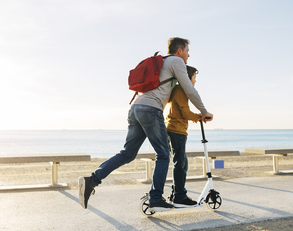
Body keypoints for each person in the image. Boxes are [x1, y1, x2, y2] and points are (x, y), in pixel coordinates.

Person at [78, 37, 213, 212]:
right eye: (187, 50)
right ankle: (156, 198)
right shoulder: (177, 61)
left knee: (127, 153)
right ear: (179, 50)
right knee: (164, 154)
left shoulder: (163, 62)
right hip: (150, 109)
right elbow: (189, 89)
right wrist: (203, 111)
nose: (189, 54)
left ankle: (92, 180)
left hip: (136, 108)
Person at [166, 65, 202, 207]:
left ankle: (176, 193)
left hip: (175, 129)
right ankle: (179, 196)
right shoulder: (180, 90)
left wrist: (194, 116)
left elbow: (182, 111)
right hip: (176, 131)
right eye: (194, 78)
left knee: (182, 163)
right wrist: (199, 116)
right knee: (180, 164)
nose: (195, 81)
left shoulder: (178, 90)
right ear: (187, 78)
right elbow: (185, 112)